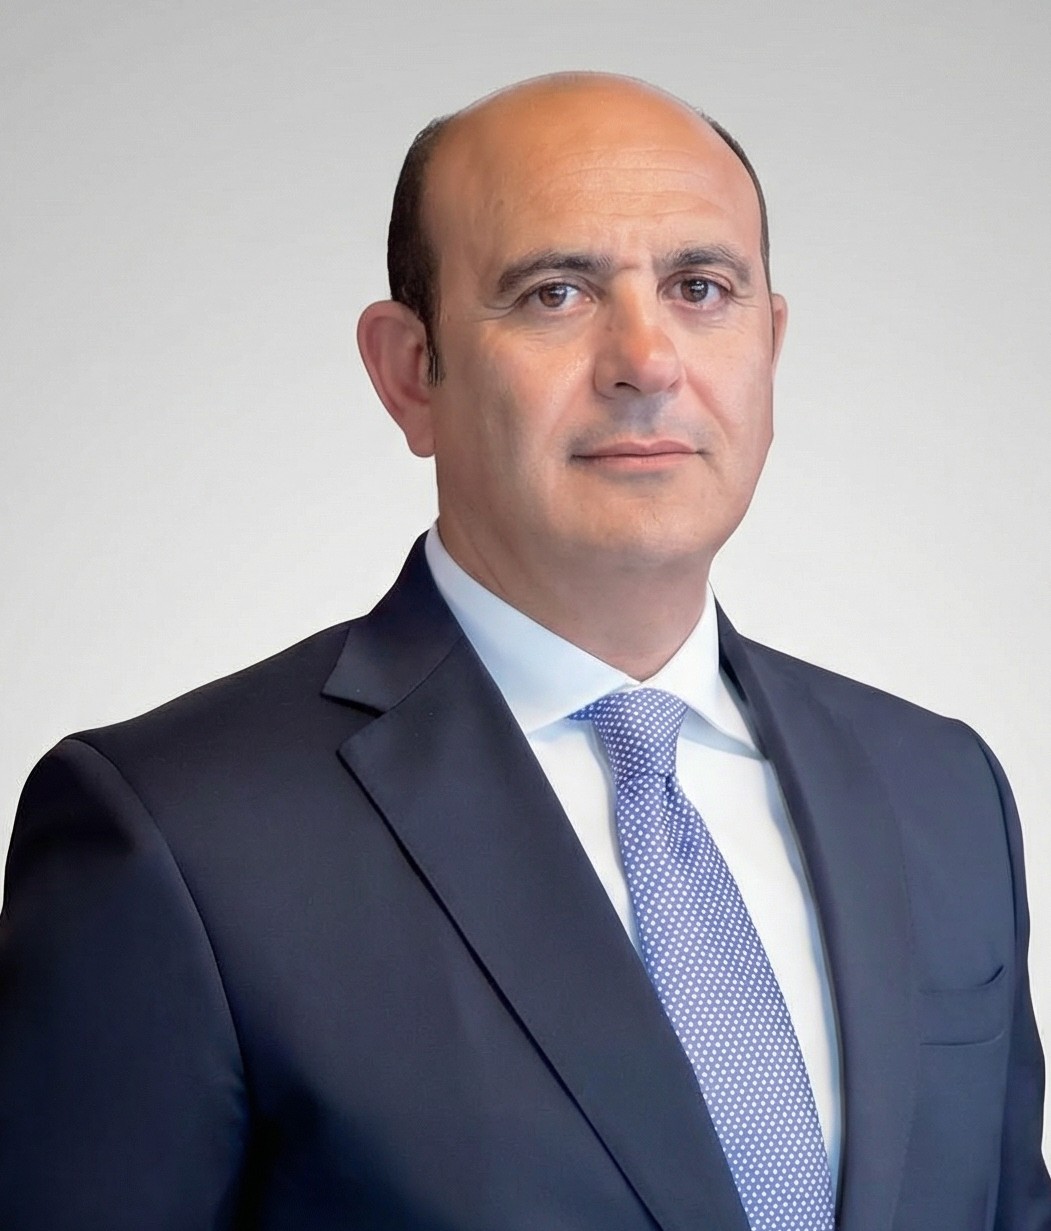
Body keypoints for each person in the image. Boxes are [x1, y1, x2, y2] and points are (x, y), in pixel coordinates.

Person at [1, 71, 1048, 1231]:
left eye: (701, 288)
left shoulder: (942, 791)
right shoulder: (176, 837)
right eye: (555, 294)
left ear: (770, 342)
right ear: (411, 372)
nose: (646, 360)